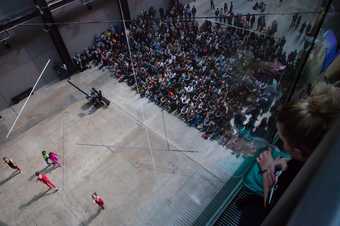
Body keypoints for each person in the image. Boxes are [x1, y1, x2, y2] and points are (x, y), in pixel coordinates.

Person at [239, 83, 340, 226]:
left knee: (251, 208)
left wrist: (267, 173)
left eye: (283, 140)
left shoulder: (293, 179)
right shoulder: (329, 158)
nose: (283, 145)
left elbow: (274, 211)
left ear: (298, 151)